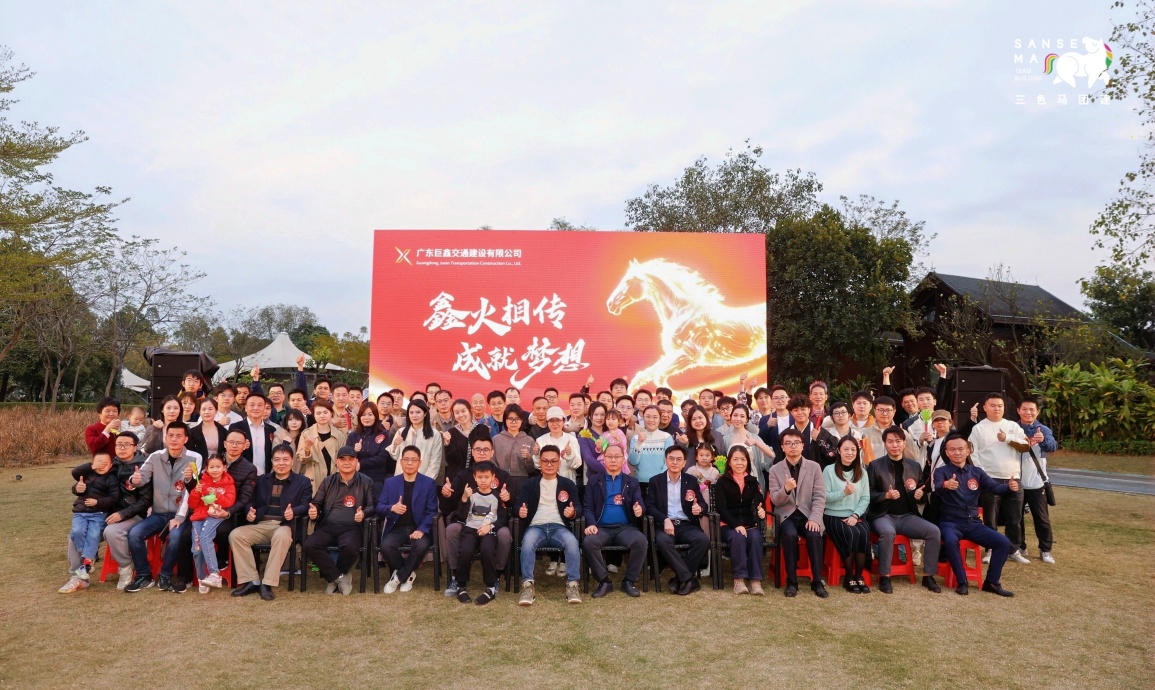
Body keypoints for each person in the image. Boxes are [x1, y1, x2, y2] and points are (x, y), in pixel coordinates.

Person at [934, 433, 1021, 596]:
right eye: (952, 449)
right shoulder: (941, 472)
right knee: (951, 541)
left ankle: (991, 582)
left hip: (973, 523)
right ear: (947, 452)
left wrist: (1009, 487)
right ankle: (962, 582)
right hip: (950, 522)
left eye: (961, 449)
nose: (957, 452)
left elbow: (995, 488)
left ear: (968, 451)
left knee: (1003, 542)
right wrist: (946, 485)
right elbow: (938, 487)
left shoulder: (976, 472)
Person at [124, 421, 202, 593]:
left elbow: (192, 490)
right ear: (165, 438)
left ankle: (165, 575)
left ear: (185, 439)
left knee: (175, 537)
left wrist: (180, 517)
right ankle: (144, 575)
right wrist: (133, 480)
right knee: (135, 534)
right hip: (158, 513)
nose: (174, 439)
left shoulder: (194, 458)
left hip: (181, 514)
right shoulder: (155, 456)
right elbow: (141, 477)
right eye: (170, 435)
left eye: (178, 436)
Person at [230, 444, 313, 601]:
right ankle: (251, 581)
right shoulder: (262, 480)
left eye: (285, 459)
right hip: (262, 525)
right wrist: (249, 511)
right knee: (236, 535)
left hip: (284, 526)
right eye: (277, 460)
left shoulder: (303, 482)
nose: (281, 463)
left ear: (292, 461)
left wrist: (294, 511)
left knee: (281, 536)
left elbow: (306, 504)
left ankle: (267, 583)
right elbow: (249, 500)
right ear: (272, 461)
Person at [867, 427, 943, 594]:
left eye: (898, 441)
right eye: (890, 441)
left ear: (904, 443)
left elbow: (920, 494)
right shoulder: (875, 466)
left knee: (934, 531)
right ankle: (885, 576)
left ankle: (928, 576)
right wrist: (885, 495)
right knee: (887, 532)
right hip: (883, 515)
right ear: (885, 444)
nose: (895, 445)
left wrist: (919, 496)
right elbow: (868, 494)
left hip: (907, 516)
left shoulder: (914, 466)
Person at [442, 436, 514, 598]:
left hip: (493, 522)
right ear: (472, 452)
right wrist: (447, 493)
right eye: (478, 449)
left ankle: (496, 575)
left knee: (504, 534)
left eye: (486, 449)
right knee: (452, 529)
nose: (482, 453)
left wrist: (508, 498)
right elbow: (454, 500)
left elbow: (510, 506)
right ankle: (456, 576)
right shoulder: (463, 475)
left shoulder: (502, 475)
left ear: (492, 452)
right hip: (468, 521)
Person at [77, 432, 150, 589]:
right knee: (77, 533)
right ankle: (78, 573)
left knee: (112, 532)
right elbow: (88, 479)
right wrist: (78, 488)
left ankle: (125, 567)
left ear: (135, 447)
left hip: (135, 514)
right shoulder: (111, 464)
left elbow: (145, 501)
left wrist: (122, 514)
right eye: (119, 445)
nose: (122, 448)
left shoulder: (144, 467)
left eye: (127, 445)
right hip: (107, 513)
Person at [967, 392, 1032, 565]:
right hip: (990, 479)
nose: (997, 409)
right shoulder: (979, 428)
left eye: (1000, 406)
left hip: (1013, 478)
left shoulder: (1012, 426)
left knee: (1015, 517)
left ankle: (1013, 549)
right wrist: (983, 475)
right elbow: (973, 453)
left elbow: (1026, 446)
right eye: (993, 405)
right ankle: (990, 549)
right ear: (985, 407)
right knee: (990, 518)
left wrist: (1007, 438)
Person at [514, 445, 583, 606]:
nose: (549, 464)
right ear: (540, 463)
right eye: (545, 461)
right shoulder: (530, 484)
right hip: (536, 526)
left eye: (553, 461)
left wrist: (573, 512)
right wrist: (520, 511)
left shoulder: (567, 484)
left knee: (572, 542)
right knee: (527, 543)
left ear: (559, 463)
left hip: (559, 527)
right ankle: (528, 586)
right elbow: (517, 505)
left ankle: (572, 585)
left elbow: (578, 508)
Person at [304, 446, 376, 595]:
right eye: (343, 459)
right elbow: (316, 502)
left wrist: (363, 513)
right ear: (337, 462)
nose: (347, 462)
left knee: (350, 546)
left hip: (352, 527)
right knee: (310, 544)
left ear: (356, 461)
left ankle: (335, 577)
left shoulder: (366, 481)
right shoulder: (328, 481)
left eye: (351, 459)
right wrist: (314, 511)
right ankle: (339, 577)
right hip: (328, 526)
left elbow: (372, 506)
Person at [766, 428, 828, 598]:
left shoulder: (814, 467)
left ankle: (817, 581)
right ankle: (792, 582)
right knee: (790, 535)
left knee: (814, 534)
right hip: (786, 516)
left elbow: (819, 496)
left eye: (796, 443)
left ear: (803, 445)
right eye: (788, 443)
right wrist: (786, 490)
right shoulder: (775, 470)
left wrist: (815, 518)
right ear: (782, 447)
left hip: (808, 514)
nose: (793, 446)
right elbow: (775, 501)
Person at [582, 444, 647, 598]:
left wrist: (639, 510)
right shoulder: (593, 481)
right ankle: (604, 581)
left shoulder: (632, 481)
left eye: (617, 457)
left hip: (625, 528)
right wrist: (591, 524)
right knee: (589, 542)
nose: (613, 460)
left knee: (641, 541)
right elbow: (588, 507)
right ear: (603, 459)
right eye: (609, 456)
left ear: (623, 459)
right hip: (601, 528)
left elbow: (640, 504)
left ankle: (629, 581)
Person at [645, 445, 710, 595]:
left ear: (684, 462)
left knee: (702, 540)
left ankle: (679, 579)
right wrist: (664, 519)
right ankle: (689, 579)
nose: (675, 462)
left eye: (679, 459)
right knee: (662, 541)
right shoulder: (655, 481)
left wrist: (699, 508)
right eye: (671, 459)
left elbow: (703, 504)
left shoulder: (691, 481)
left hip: (687, 524)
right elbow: (649, 506)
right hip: (665, 525)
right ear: (666, 460)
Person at [379, 445, 439, 594]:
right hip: (397, 528)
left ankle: (398, 577)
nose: (410, 463)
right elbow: (379, 507)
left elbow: (432, 511)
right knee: (386, 546)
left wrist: (422, 529)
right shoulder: (390, 482)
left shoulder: (428, 483)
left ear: (420, 462)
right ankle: (408, 574)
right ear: (401, 462)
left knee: (421, 545)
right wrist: (392, 508)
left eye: (414, 460)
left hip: (418, 527)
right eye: (406, 459)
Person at [58, 451, 121, 593]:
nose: (101, 466)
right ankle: (87, 559)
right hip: (81, 512)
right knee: (76, 533)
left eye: (105, 463)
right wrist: (77, 488)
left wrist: (97, 502)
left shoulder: (111, 479)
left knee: (93, 535)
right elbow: (75, 472)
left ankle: (84, 567)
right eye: (98, 463)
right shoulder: (87, 474)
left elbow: (113, 498)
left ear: (111, 465)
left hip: (99, 514)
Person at [452, 461, 509, 605]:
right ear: (474, 477)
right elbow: (461, 516)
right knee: (465, 550)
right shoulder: (470, 494)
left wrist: (490, 527)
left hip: (488, 530)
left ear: (493, 477)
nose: (483, 480)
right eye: (480, 477)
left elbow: (503, 518)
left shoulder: (497, 496)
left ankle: (491, 587)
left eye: (487, 477)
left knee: (487, 550)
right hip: (470, 529)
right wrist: (464, 498)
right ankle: (460, 585)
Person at [715, 445, 767, 595]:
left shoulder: (752, 481)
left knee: (756, 537)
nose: (739, 463)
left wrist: (761, 509)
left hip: (749, 524)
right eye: (735, 459)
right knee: (738, 537)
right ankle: (739, 580)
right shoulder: (722, 482)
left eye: (743, 459)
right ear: (729, 462)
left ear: (748, 462)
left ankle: (755, 581)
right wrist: (736, 524)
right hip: (728, 525)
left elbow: (759, 500)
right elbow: (721, 509)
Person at [823, 436, 872, 593]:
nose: (849, 453)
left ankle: (859, 575)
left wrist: (855, 515)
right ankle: (849, 576)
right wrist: (843, 493)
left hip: (854, 516)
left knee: (864, 532)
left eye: (853, 449)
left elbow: (865, 498)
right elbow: (824, 497)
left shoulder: (862, 472)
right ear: (838, 450)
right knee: (850, 534)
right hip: (833, 515)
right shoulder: (829, 470)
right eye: (846, 449)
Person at [186, 454, 236, 593]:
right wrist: (196, 492)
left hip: (215, 515)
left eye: (218, 466)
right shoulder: (201, 482)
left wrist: (216, 495)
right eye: (211, 467)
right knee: (196, 548)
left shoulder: (229, 484)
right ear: (206, 469)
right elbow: (192, 505)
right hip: (198, 517)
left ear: (224, 467)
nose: (215, 470)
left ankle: (214, 574)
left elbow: (229, 502)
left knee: (205, 537)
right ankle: (202, 578)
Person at [1017, 396, 1057, 563]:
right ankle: (1020, 546)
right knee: (1016, 518)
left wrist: (1043, 441)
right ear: (1018, 411)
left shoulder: (1043, 429)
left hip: (1036, 482)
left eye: (1032, 409)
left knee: (1041, 518)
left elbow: (1053, 446)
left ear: (1037, 412)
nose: (1028, 412)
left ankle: (1045, 550)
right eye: (1024, 409)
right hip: (1016, 482)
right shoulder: (1012, 428)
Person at [296, 400, 348, 494]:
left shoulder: (339, 435)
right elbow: (301, 460)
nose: (322, 416)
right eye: (318, 413)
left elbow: (343, 459)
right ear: (314, 415)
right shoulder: (307, 434)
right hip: (313, 480)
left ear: (331, 413)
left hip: (334, 479)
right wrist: (307, 447)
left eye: (325, 412)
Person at [720, 404, 775, 489]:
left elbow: (771, 454)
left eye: (742, 416)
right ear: (731, 417)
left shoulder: (753, 437)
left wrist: (756, 443)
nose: (738, 419)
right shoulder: (725, 439)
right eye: (735, 415)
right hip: (733, 481)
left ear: (746, 420)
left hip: (754, 477)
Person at [388, 399, 443, 480]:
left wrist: (427, 482)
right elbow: (395, 457)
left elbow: (435, 462)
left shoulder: (434, 434)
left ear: (425, 413)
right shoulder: (401, 432)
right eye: (411, 412)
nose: (414, 415)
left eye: (418, 412)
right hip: (401, 478)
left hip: (423, 478)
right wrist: (395, 445)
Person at [348, 401, 393, 498]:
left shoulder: (383, 434)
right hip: (356, 480)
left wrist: (361, 464)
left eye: (370, 414)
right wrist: (354, 451)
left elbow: (382, 458)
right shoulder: (353, 435)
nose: (366, 418)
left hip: (376, 481)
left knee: (375, 506)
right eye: (363, 415)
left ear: (375, 416)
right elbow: (347, 458)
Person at [230, 393, 279, 475]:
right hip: (242, 476)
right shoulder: (236, 427)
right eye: (252, 405)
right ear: (246, 407)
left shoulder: (271, 429)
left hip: (265, 476)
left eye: (260, 405)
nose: (256, 408)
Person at [493, 405, 535, 498]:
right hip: (501, 480)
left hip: (522, 481)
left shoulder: (529, 440)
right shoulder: (496, 439)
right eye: (510, 419)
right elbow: (492, 462)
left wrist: (528, 458)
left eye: (517, 419)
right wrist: (500, 476)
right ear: (505, 420)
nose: (514, 422)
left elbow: (532, 469)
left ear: (522, 420)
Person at [533, 406, 582, 483]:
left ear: (563, 422)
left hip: (568, 480)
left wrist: (570, 454)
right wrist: (536, 455)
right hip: (547, 481)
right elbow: (538, 466)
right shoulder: (540, 440)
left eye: (558, 420)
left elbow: (577, 465)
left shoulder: (572, 439)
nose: (555, 424)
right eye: (551, 421)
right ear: (547, 423)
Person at [628, 406, 674, 488]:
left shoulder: (666, 437)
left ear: (659, 419)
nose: (651, 420)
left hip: (661, 482)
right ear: (643, 418)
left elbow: (669, 461)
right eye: (648, 416)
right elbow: (633, 462)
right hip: (640, 482)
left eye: (655, 417)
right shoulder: (636, 438)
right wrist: (639, 443)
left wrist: (660, 479)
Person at [187, 397, 228, 462]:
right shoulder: (192, 432)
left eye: (210, 409)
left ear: (216, 411)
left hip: (219, 466)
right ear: (199, 411)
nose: (207, 412)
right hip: (199, 466)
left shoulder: (223, 431)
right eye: (203, 409)